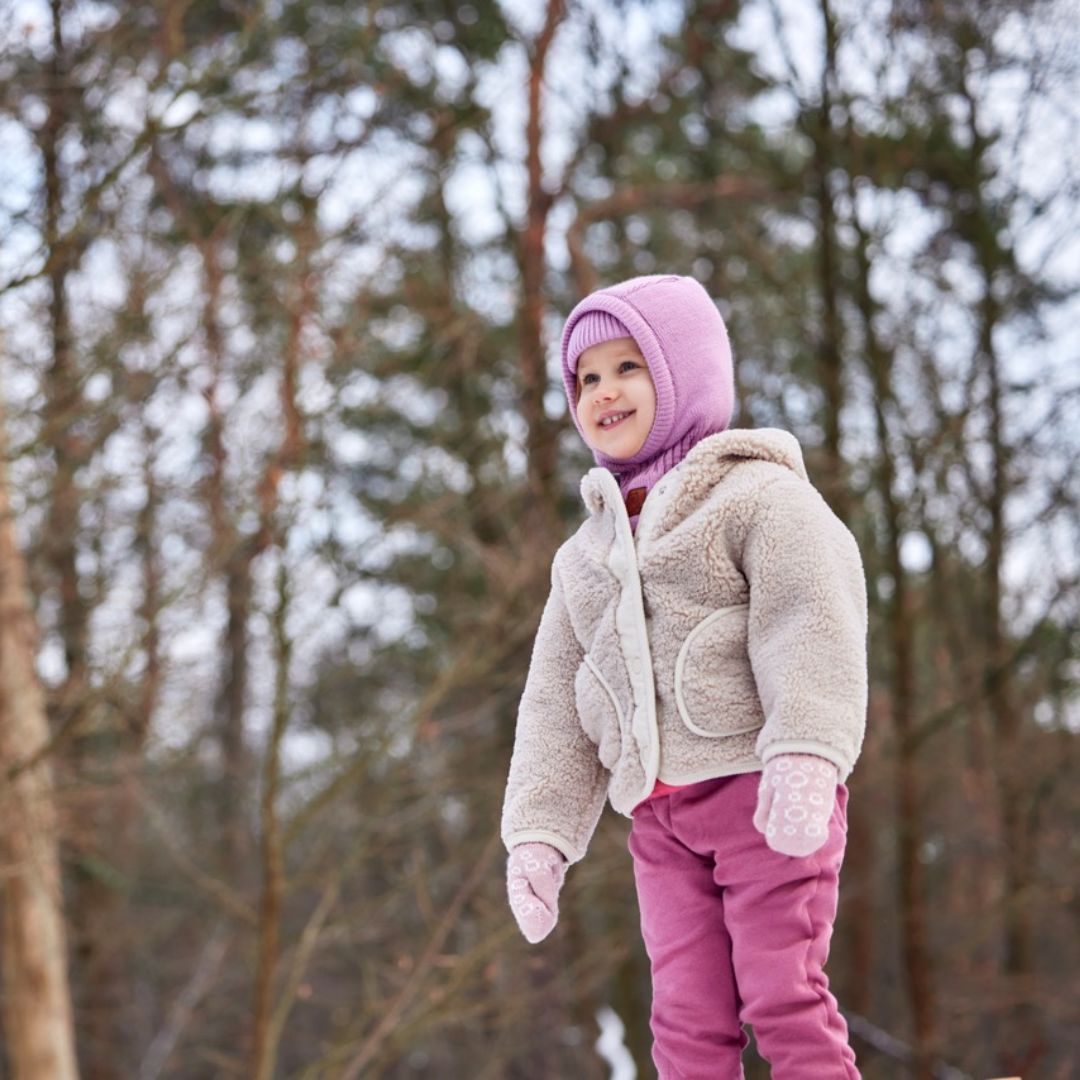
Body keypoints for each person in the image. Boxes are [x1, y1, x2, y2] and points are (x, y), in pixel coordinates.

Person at [501, 274, 867, 1079]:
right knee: (685, 1021)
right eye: (586, 378)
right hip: (659, 823)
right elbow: (556, 702)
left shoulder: (757, 497)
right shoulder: (584, 558)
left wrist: (807, 751)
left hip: (759, 796)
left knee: (782, 992)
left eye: (628, 366)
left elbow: (811, 617)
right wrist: (539, 833)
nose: (604, 391)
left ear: (684, 372)